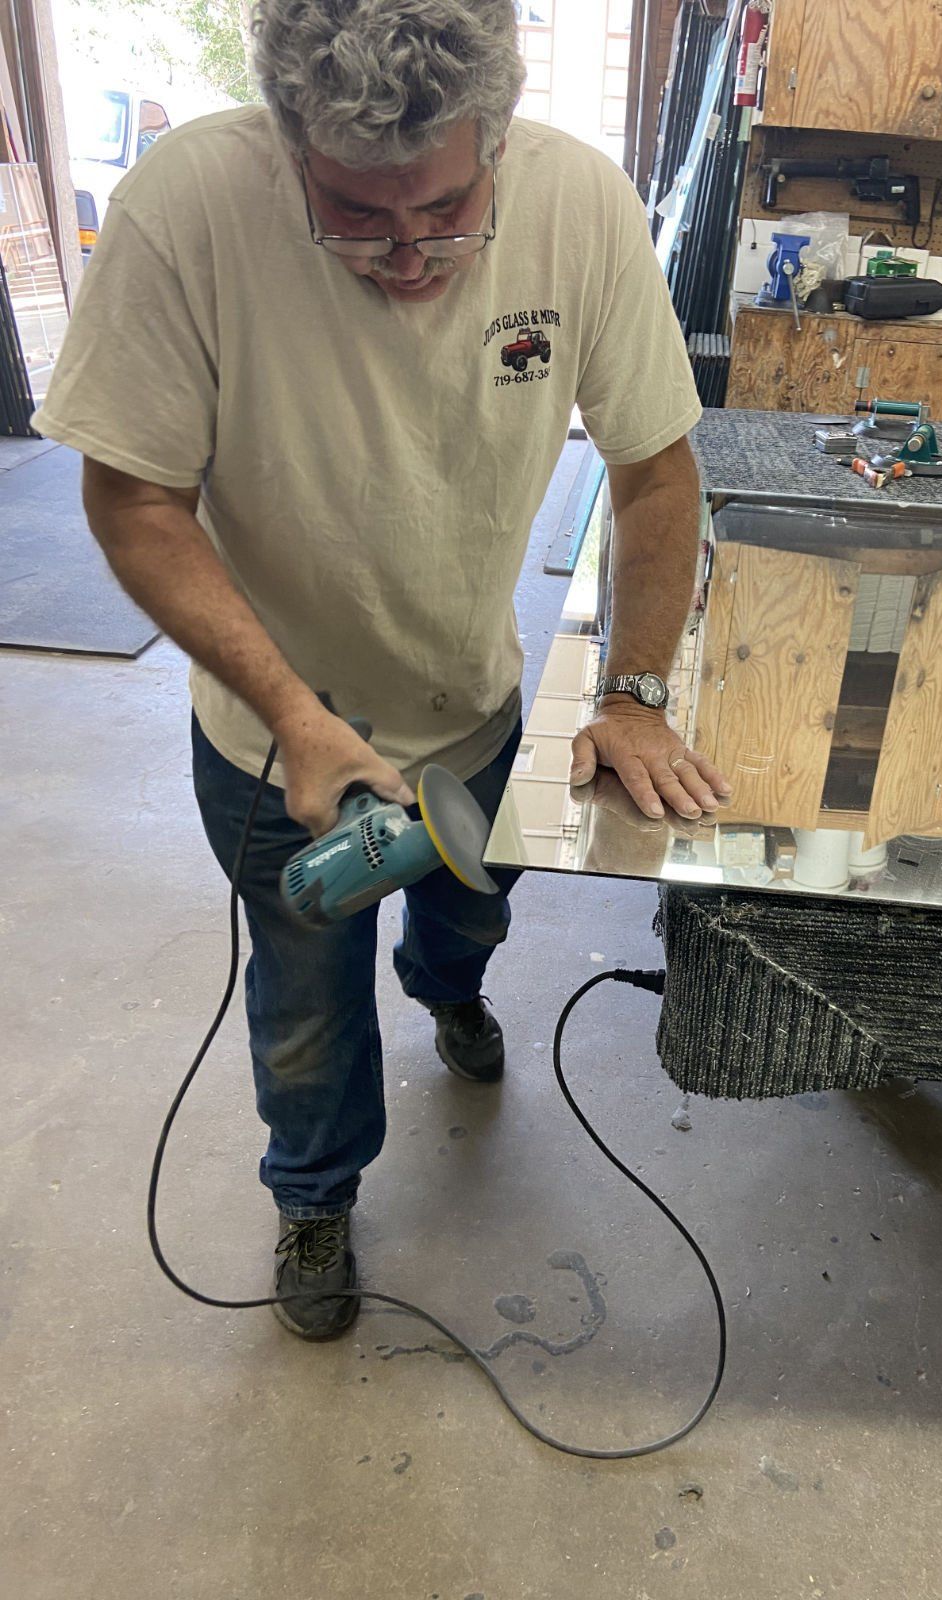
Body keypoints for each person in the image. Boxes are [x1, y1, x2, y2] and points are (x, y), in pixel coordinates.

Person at [33, 0, 729, 1341]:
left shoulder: (578, 208)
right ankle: (315, 1192)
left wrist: (634, 691)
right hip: (272, 741)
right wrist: (292, 712)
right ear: (286, 142)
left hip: (473, 702)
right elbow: (134, 500)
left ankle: (451, 987)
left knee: (470, 914)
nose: (410, 253)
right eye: (355, 214)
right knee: (305, 1006)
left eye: (447, 209)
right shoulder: (187, 208)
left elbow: (655, 473)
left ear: (499, 143)